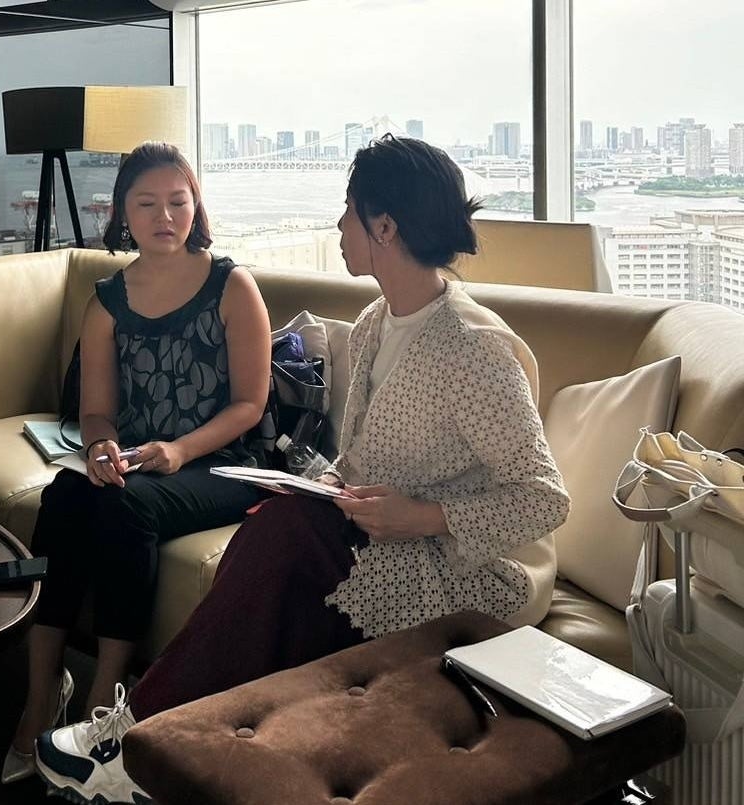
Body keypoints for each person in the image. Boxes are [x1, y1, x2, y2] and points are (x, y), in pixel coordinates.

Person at [34, 135, 571, 805]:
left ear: (385, 227)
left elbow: (544, 499)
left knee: (285, 538)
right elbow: (365, 462)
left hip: (460, 568)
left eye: (349, 211)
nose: (339, 226)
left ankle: (135, 739)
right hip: (379, 541)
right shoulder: (375, 322)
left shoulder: (472, 348)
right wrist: (328, 485)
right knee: (276, 526)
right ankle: (162, 748)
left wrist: (420, 516)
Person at [1, 142, 272, 785]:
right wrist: (100, 447)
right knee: (66, 495)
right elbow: (97, 412)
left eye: (178, 202)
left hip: (223, 463)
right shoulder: (107, 301)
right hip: (141, 461)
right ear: (122, 212)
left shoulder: (232, 286)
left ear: (196, 207)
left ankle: (105, 702)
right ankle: (43, 692)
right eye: (147, 204)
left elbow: (250, 405)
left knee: (123, 505)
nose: (165, 217)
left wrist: (180, 450)